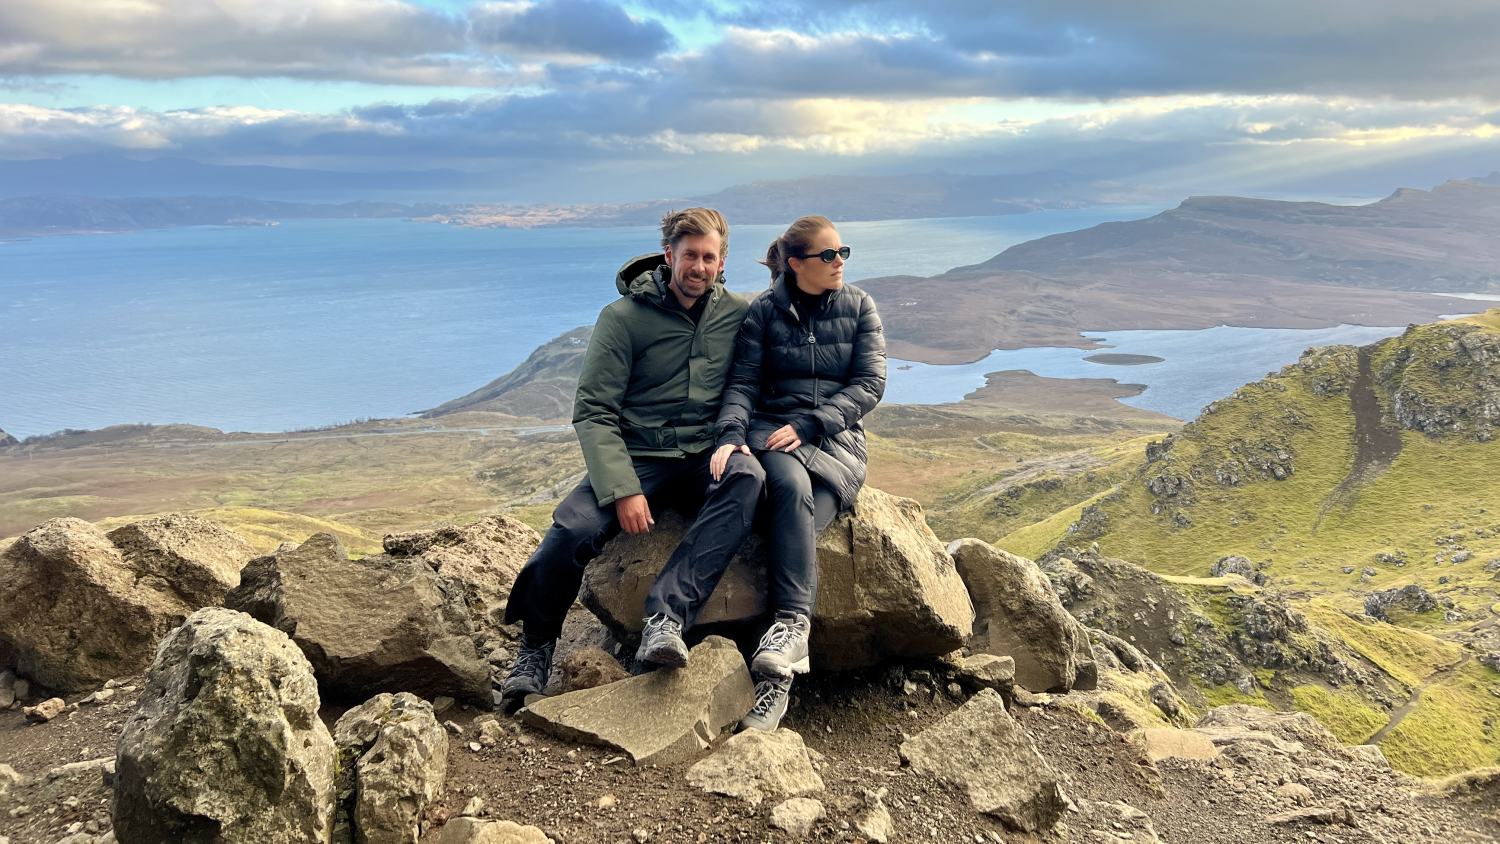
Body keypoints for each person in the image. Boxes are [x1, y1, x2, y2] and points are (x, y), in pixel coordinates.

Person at [498, 207, 765, 710]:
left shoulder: (736, 314)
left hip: (704, 453)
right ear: (669, 255)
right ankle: (536, 645)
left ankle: (666, 618)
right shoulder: (622, 319)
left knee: (747, 477)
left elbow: (755, 378)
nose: (700, 268)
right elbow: (595, 411)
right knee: (570, 531)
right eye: (690, 256)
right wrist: (623, 488)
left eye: (710, 258)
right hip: (637, 455)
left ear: (722, 261)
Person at [712, 215, 886, 731]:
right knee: (787, 488)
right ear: (795, 264)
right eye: (827, 255)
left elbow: (870, 383)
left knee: (799, 528)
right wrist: (731, 433)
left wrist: (814, 422)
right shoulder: (764, 312)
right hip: (774, 434)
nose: (839, 264)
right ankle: (788, 639)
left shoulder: (859, 306)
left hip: (834, 439)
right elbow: (742, 382)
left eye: (842, 254)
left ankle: (777, 670)